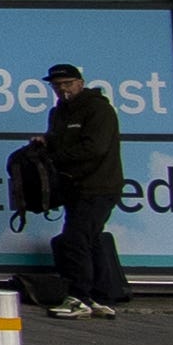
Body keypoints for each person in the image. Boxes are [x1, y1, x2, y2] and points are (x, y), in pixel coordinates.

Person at [38, 62, 132, 321]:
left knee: (75, 239)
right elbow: (58, 139)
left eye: (67, 84)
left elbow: (95, 149)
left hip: (99, 186)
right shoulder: (59, 112)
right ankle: (100, 297)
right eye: (57, 86)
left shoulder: (98, 109)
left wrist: (56, 158)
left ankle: (79, 296)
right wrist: (45, 142)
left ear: (80, 82)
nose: (62, 90)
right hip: (74, 188)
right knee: (90, 239)